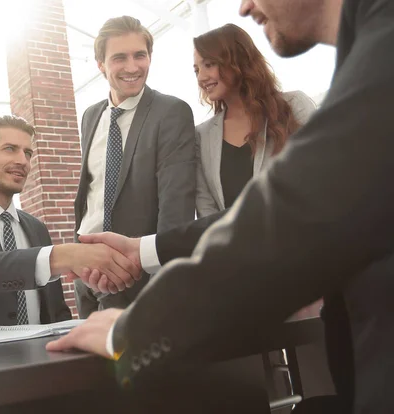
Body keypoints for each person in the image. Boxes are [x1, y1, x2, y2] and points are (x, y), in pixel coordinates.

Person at [48, 0, 394, 412]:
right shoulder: (370, 49)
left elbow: (291, 216)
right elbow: (238, 217)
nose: (244, 6)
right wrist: (143, 249)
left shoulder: (380, 53)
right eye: (196, 68)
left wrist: (133, 330)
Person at [0, 115, 140, 338]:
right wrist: (64, 255)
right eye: (10, 149)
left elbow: (56, 312)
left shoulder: (36, 228)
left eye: (28, 153)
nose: (23, 161)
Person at [73, 15, 197, 317]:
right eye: (119, 58)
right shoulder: (91, 116)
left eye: (139, 55)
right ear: (100, 64)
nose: (132, 67)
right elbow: (93, 193)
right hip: (88, 276)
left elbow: (175, 207)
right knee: (89, 365)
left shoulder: (171, 112)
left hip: (138, 280)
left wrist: (164, 284)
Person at [194, 23, 316, 217]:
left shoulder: (294, 106)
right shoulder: (200, 136)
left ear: (236, 60)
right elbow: (207, 211)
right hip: (236, 246)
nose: (201, 77)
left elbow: (321, 177)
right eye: (196, 69)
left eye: (209, 65)